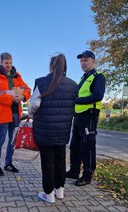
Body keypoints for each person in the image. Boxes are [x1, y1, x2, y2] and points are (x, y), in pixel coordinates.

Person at [30, 54, 78, 203]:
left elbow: (34, 106)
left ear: (51, 66)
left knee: (47, 162)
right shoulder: (73, 85)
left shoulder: (41, 82)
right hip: (63, 129)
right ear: (64, 67)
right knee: (60, 159)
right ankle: (60, 190)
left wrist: (30, 115)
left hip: (44, 129)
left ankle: (49, 194)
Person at [66, 50, 106, 186]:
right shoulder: (83, 78)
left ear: (93, 61)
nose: (83, 63)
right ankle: (74, 171)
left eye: (86, 60)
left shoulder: (98, 76)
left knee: (87, 146)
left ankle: (88, 175)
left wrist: (77, 100)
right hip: (78, 117)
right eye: (81, 61)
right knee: (75, 145)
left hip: (89, 116)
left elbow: (98, 96)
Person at [0, 52, 31, 176]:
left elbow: (27, 89)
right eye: (6, 63)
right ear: (1, 63)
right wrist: (12, 98)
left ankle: (8, 163)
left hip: (15, 113)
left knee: (12, 140)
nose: (9, 65)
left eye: (10, 63)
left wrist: (23, 96)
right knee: (0, 140)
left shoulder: (17, 76)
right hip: (3, 113)